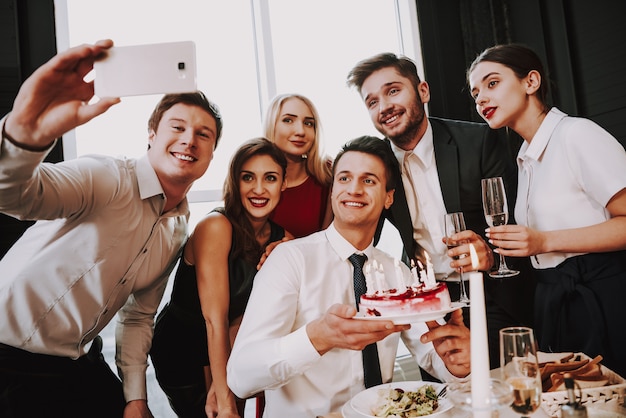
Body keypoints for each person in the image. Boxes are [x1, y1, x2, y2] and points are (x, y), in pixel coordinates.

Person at [0, 39, 223, 418]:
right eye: (178, 126)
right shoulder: (105, 176)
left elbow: (138, 315)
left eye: (204, 134)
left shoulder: (177, 229)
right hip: (7, 357)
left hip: (77, 360)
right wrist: (23, 135)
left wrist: (135, 398)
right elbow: (16, 196)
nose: (189, 139)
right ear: (151, 133)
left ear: (213, 152)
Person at [227, 135, 471, 417]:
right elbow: (240, 378)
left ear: (388, 197)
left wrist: (457, 364)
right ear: (332, 191)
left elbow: (431, 351)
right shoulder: (288, 260)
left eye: (368, 181)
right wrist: (318, 337)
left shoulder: (398, 274)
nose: (354, 189)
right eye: (344, 179)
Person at [346, 52, 535, 369]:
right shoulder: (377, 168)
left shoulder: (479, 141)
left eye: (393, 91)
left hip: (491, 294)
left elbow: (517, 218)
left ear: (423, 91)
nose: (385, 107)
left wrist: (490, 254)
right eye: (372, 101)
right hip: (429, 306)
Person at [468, 43, 626, 376]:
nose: (481, 98)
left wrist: (543, 241)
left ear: (531, 82)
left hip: (603, 299)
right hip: (554, 301)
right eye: (475, 92)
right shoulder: (525, 158)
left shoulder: (576, 134)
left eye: (492, 83)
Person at [150, 138, 293, 418]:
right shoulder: (216, 226)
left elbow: (258, 314)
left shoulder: (283, 240)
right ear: (234, 181)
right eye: (248, 177)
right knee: (219, 412)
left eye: (271, 178)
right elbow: (214, 320)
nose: (259, 189)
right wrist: (224, 395)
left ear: (283, 184)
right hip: (185, 346)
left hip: (231, 341)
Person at [263, 93, 333, 238]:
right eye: (288, 120)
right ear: (272, 125)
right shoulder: (249, 175)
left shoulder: (329, 174)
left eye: (308, 123)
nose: (300, 131)